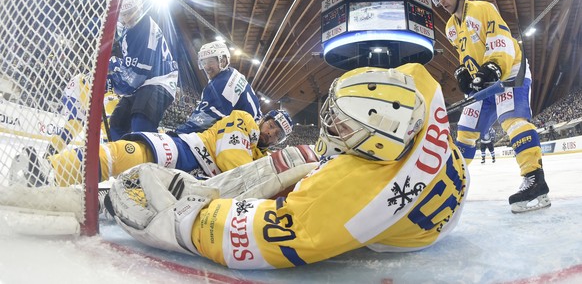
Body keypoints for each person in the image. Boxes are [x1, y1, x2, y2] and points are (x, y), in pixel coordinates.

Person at [106, 64, 468, 269]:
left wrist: (185, 221)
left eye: (340, 125)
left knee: (294, 172)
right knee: (299, 163)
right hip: (439, 200)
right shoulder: (418, 86)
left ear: (370, 144)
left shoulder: (348, 196)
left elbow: (260, 235)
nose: (329, 125)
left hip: (403, 229)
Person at [428, 0, 549, 213]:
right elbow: (466, 53)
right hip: (483, 81)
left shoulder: (483, 9)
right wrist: (463, 71)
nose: (440, 1)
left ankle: (536, 181)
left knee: (513, 121)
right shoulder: (451, 27)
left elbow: (500, 39)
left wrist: (493, 66)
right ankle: (452, 183)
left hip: (509, 71)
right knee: (465, 130)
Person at [10, 109, 294, 188]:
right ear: (264, 119)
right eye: (272, 125)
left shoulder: (261, 157)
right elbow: (231, 158)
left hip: (194, 183)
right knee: (126, 154)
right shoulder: (244, 120)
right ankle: (49, 172)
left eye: (277, 134)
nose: (270, 133)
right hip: (186, 152)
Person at [107, 0, 179, 140]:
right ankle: (122, 158)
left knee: (140, 119)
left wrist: (111, 75)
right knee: (116, 122)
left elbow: (133, 78)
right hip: (143, 81)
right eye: (124, 14)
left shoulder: (145, 29)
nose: (128, 18)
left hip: (160, 80)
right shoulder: (127, 28)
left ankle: (148, 160)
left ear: (139, 7)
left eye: (131, 12)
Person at [175, 41, 261, 134]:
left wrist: (177, 134)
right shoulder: (231, 74)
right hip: (251, 130)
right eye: (203, 62)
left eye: (210, 61)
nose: (206, 67)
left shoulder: (222, 84)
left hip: (246, 136)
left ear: (223, 61)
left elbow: (202, 121)